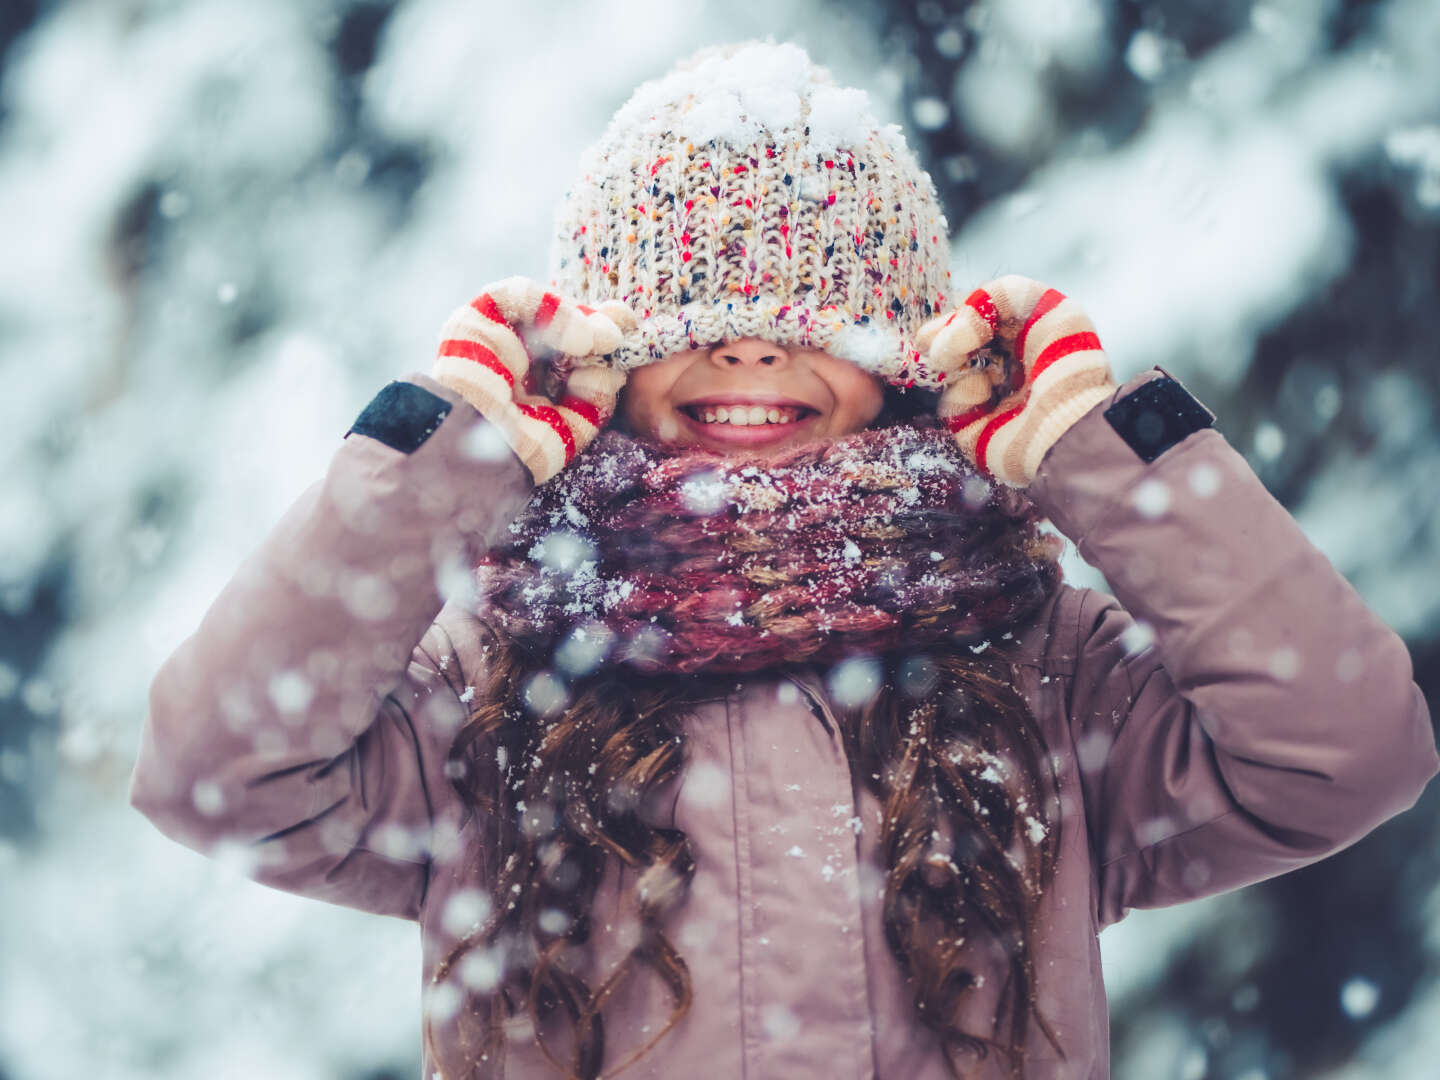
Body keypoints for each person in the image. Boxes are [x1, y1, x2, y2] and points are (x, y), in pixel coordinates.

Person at [128, 39, 1439, 1080]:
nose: (751, 356)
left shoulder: (1038, 664)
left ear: (900, 371)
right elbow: (216, 773)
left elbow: (1344, 749)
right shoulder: (497, 676)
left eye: (815, 321)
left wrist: (1102, 450)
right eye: (695, 318)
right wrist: (436, 464)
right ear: (602, 369)